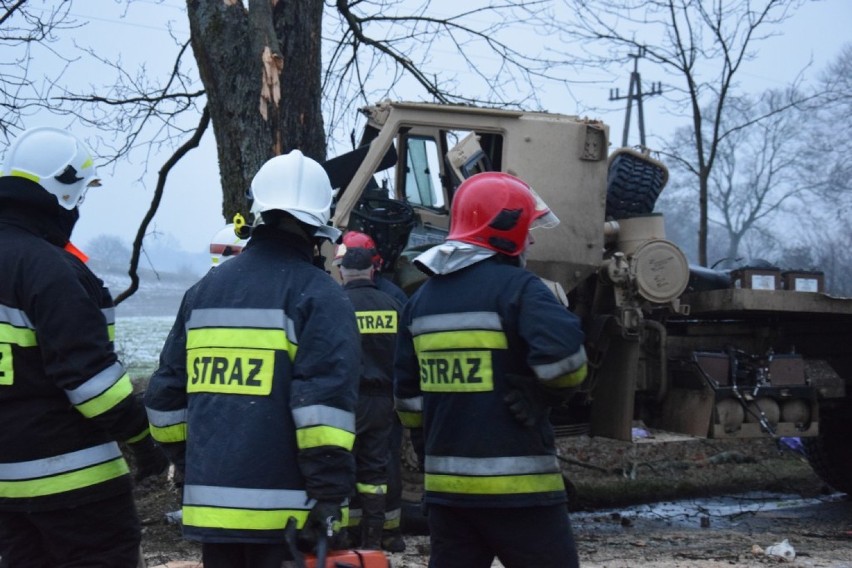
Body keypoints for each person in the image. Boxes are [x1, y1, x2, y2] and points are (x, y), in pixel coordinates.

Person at [144, 149, 361, 568]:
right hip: (289, 515)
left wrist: (192, 466)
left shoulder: (203, 292)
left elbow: (164, 400)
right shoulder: (320, 295)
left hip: (211, 511)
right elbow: (324, 412)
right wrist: (331, 496)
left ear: (258, 214)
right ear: (319, 229)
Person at [393, 171, 588, 568]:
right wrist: (545, 393)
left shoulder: (420, 302)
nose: (531, 239)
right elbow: (567, 362)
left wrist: (428, 447)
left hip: (448, 496)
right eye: (527, 228)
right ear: (505, 230)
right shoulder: (519, 288)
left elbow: (407, 402)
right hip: (521, 492)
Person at [0, 127, 167, 567]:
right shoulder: (48, 269)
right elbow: (92, 385)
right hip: (76, 485)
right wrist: (144, 440)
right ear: (66, 192)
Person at [333, 230, 407, 552]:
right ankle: (376, 538)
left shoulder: (334, 306)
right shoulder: (392, 304)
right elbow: (407, 355)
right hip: (383, 403)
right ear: (373, 268)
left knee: (342, 465)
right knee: (377, 469)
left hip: (345, 401)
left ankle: (344, 537)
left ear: (341, 271)